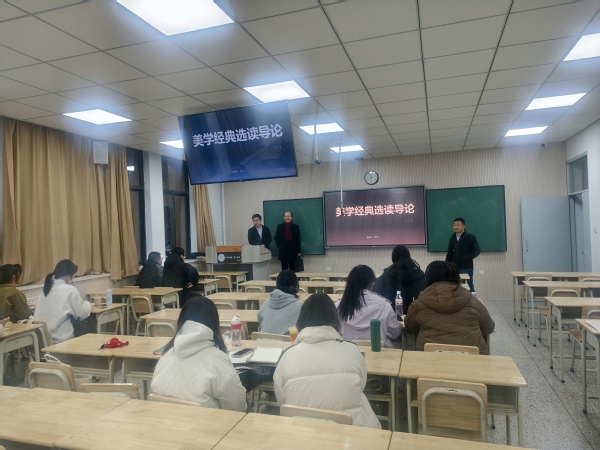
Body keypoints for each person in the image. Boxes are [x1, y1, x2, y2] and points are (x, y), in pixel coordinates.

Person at [273, 293, 381, 428]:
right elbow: (361, 385)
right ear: (335, 318)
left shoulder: (287, 356)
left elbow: (281, 400)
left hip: (300, 433)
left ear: (301, 320)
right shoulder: (352, 351)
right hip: (349, 434)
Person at [150, 296, 247, 411]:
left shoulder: (166, 354)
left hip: (162, 420)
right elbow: (237, 407)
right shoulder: (218, 359)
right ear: (214, 323)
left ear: (181, 320)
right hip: (204, 421)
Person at [404, 261, 495, 354]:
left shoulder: (418, 304)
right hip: (472, 359)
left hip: (429, 358)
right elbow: (489, 328)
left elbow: (410, 327)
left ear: (428, 278)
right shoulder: (474, 303)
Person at [337, 265, 402, 348]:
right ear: (371, 283)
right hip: (379, 352)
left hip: (349, 352)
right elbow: (394, 333)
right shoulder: (384, 305)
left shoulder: (339, 306)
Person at [33, 259, 91, 343]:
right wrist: (88, 304)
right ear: (68, 275)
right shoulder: (70, 290)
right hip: (62, 339)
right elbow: (82, 313)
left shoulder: (45, 290)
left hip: (43, 339)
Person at [373, 245, 425, 314]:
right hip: (416, 315)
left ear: (393, 258)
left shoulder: (386, 275)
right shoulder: (420, 275)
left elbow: (376, 294)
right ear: (408, 256)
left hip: (391, 315)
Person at [257, 270, 302, 335]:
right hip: (288, 341)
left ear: (277, 285)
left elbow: (260, 322)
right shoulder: (301, 306)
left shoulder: (265, 304)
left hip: (264, 340)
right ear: (296, 286)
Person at [445, 217, 480, 295]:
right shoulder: (452, 237)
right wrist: (447, 264)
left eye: (458, 225)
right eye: (454, 225)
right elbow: (449, 252)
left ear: (464, 226)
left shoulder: (470, 237)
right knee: (454, 286)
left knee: (467, 285)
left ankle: (472, 300)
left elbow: (477, 250)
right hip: (453, 267)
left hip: (466, 267)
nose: (455, 227)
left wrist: (466, 258)